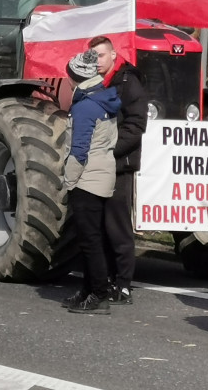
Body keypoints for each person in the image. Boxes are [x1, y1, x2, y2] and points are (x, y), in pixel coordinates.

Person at [88, 35, 148, 305]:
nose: (96, 61)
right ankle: (108, 280)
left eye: (100, 55)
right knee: (98, 227)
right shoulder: (92, 84)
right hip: (94, 167)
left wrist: (110, 152)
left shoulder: (128, 82)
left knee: (118, 227)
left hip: (117, 167)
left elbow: (136, 124)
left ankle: (123, 284)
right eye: (92, 57)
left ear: (113, 55)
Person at [61, 48, 120, 314]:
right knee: (90, 238)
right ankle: (87, 290)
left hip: (87, 179)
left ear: (76, 78)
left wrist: (68, 182)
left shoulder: (85, 107)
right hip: (102, 175)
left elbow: (79, 151)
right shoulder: (102, 99)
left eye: (70, 76)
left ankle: (98, 294)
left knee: (90, 240)